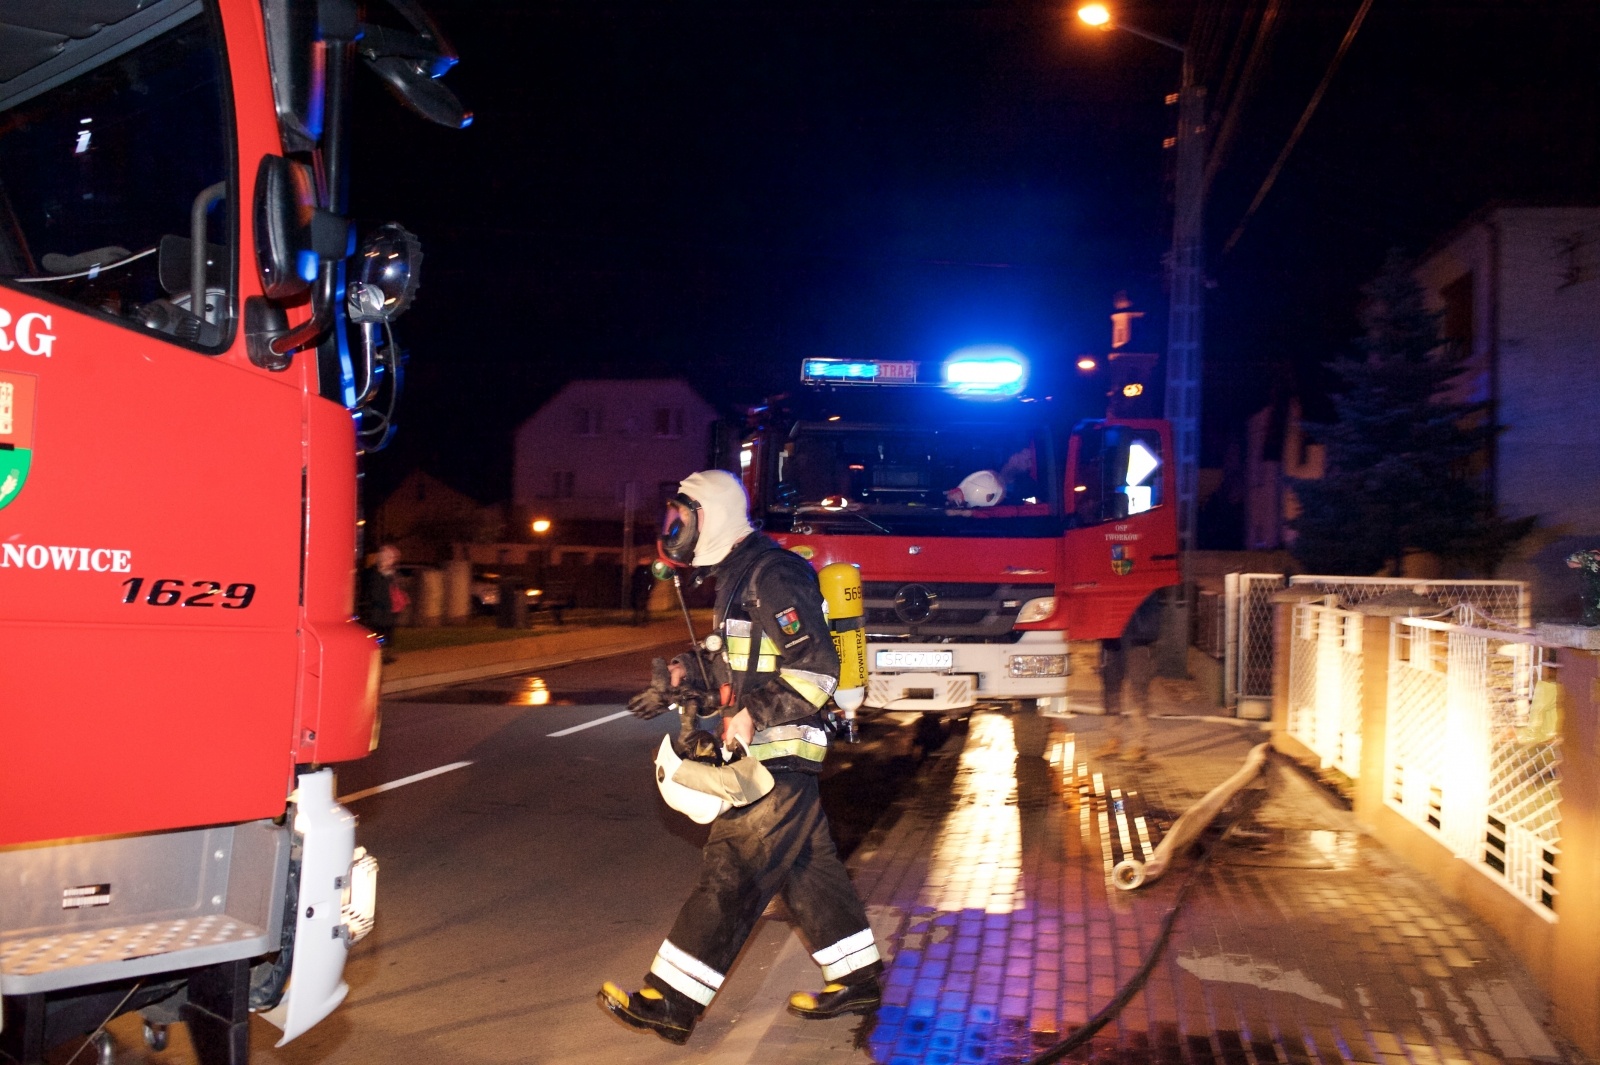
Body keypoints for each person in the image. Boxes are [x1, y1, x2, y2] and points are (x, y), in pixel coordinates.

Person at [600, 469, 882, 1045]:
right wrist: (683, 676)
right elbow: (740, 662)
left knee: (733, 871)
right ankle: (858, 978)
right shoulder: (738, 575)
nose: (674, 528)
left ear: (713, 514)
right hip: (768, 751)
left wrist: (753, 712)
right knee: (808, 870)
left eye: (682, 517)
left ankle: (670, 1000)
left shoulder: (773, 573)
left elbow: (817, 668)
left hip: (777, 753)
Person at [1100, 592, 1163, 759]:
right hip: (1113, 635)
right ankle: (1113, 740)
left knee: (1137, 688)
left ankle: (1140, 743)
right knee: (1111, 687)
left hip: (1138, 638)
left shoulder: (1144, 581)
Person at [360, 544, 407, 662]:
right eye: (390, 557)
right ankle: (378, 654)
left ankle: (385, 654)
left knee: (388, 633)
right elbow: (374, 593)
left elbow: (398, 588)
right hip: (379, 610)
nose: (392, 560)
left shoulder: (393, 574)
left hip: (390, 610)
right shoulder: (374, 573)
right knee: (378, 634)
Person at [629, 553, 657, 626]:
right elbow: (634, 578)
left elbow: (651, 581)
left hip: (644, 590)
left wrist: (648, 589)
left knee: (642, 605)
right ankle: (639, 620)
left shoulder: (647, 570)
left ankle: (642, 620)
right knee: (639, 605)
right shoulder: (639, 569)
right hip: (638, 589)